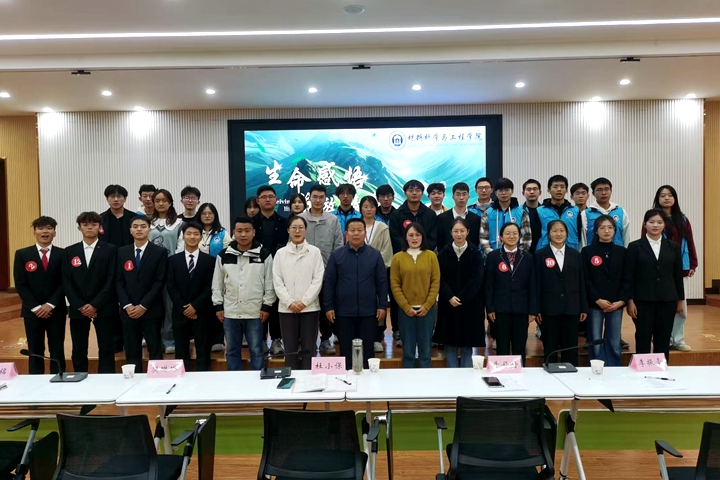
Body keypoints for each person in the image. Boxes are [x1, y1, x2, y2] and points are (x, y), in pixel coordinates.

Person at [212, 216, 276, 371]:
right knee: (232, 351)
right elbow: (217, 284)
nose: (243, 234)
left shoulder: (264, 254)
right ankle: (235, 381)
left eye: (247, 231)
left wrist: (266, 306)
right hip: (230, 312)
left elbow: (270, 283)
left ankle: (257, 380)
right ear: (234, 232)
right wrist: (218, 306)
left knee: (256, 350)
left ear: (254, 232)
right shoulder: (224, 255)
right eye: (239, 231)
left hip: (255, 312)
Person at [324, 218, 387, 369]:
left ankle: (368, 381)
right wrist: (329, 306)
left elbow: (382, 282)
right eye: (352, 230)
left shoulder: (375, 255)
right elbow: (329, 283)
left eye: (360, 230)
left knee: (368, 350)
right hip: (344, 312)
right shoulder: (337, 255)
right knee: (345, 350)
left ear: (365, 233)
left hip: (368, 312)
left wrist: (382, 305)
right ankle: (346, 380)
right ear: (346, 234)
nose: (356, 233)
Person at [625, 209, 685, 362]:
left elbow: (677, 275)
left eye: (659, 222)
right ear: (645, 224)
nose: (655, 225)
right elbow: (629, 276)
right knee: (643, 336)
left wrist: (680, 300)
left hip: (667, 299)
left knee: (663, 338)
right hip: (642, 300)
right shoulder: (634, 247)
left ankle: (661, 370)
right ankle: (642, 370)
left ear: (665, 225)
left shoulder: (673, 246)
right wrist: (630, 301)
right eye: (651, 222)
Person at [62, 212, 117, 374]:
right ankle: (80, 376)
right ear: (79, 228)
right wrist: (80, 305)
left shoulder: (111, 250)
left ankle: (106, 378)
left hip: (104, 307)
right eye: (85, 225)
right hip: (78, 308)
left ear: (100, 227)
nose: (89, 228)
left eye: (94, 224)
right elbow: (66, 281)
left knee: (106, 346)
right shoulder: (69, 251)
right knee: (79, 347)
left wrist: (95, 304)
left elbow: (111, 279)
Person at [13, 216, 67, 375]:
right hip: (32, 311)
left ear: (54, 233)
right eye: (41, 228)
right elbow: (20, 284)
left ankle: (59, 377)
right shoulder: (22, 254)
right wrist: (36, 307)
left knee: (57, 347)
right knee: (35, 349)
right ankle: (35, 381)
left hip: (56, 310)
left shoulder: (63, 254)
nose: (45, 232)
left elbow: (65, 282)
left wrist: (50, 304)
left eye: (49, 228)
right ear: (34, 232)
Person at [647, 185, 698, 352]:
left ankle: (678, 339)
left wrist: (693, 263)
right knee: (662, 307)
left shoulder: (682, 220)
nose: (666, 198)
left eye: (670, 195)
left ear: (675, 198)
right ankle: (664, 339)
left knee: (680, 307)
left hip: (680, 268)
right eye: (662, 195)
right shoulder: (652, 218)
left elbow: (690, 241)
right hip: (658, 269)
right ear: (658, 198)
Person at [116, 215, 167, 373]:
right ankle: (133, 381)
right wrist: (127, 305)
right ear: (130, 230)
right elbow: (118, 281)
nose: (139, 229)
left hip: (151, 310)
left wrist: (143, 305)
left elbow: (159, 282)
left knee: (155, 349)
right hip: (128, 310)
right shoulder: (122, 252)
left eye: (143, 226)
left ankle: (157, 380)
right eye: (135, 226)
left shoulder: (159, 252)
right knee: (131, 350)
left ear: (149, 230)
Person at [273, 216, 325, 370]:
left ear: (305, 230)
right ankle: (290, 379)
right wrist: (289, 302)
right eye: (294, 228)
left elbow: (318, 279)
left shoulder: (314, 252)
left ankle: (309, 380)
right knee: (290, 349)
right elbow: (277, 281)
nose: (297, 231)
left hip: (309, 308)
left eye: (301, 227)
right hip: (286, 309)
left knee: (309, 348)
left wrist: (304, 302)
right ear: (288, 230)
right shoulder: (280, 254)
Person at [536, 220, 588, 367]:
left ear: (567, 233)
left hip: (571, 307)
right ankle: (549, 373)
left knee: (570, 346)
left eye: (561, 231)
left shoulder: (575, 254)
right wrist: (537, 309)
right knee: (550, 345)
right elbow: (537, 284)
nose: (558, 234)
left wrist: (583, 307)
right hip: (549, 308)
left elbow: (581, 282)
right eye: (554, 231)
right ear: (548, 234)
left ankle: (570, 373)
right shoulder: (540, 255)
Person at [485, 223, 537, 365]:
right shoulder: (493, 256)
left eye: (515, 233)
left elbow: (532, 285)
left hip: (521, 309)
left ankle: (520, 375)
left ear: (519, 236)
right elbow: (489, 285)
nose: (512, 236)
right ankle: (502, 375)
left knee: (519, 347)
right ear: (500, 237)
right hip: (500, 309)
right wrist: (490, 308)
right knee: (502, 347)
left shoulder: (527, 257)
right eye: (507, 233)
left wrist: (533, 310)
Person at [300, 184, 343, 355]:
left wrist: (333, 270)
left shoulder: (332, 220)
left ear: (326, 199)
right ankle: (306, 341)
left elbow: (338, 246)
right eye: (315, 196)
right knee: (307, 306)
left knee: (326, 307)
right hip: (304, 273)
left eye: (321, 197)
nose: (318, 200)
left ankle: (325, 339)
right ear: (309, 197)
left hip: (326, 273)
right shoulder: (300, 219)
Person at [166, 222, 215, 371]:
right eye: (189, 234)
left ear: (201, 237)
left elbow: (210, 287)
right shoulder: (173, 260)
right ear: (183, 237)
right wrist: (184, 308)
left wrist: (195, 306)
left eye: (196, 234)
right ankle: (181, 379)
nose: (192, 237)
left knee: (203, 348)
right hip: (180, 312)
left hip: (202, 312)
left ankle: (203, 378)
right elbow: (171, 286)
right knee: (181, 349)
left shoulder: (210, 260)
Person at [390, 223, 440, 368]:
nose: (414, 238)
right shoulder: (398, 258)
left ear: (422, 237)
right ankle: (408, 380)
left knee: (425, 352)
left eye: (418, 235)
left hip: (427, 310)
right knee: (408, 352)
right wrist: (406, 307)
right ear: (405, 237)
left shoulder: (431, 256)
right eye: (411, 235)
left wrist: (427, 305)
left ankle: (425, 379)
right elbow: (395, 285)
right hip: (406, 311)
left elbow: (435, 282)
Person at [437, 218, 485, 367]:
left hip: (469, 304)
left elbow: (477, 279)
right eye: (456, 231)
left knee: (466, 344)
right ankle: (452, 375)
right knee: (450, 343)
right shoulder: (443, 253)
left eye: (462, 231)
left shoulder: (475, 253)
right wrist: (450, 296)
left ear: (468, 232)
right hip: (448, 304)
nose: (459, 234)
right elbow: (439, 278)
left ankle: (466, 374)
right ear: (451, 233)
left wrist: (462, 297)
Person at [582, 215, 627, 366]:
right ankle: (596, 367)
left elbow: (627, 278)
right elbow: (585, 279)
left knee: (614, 339)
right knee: (595, 339)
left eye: (610, 228)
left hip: (616, 303)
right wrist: (597, 299)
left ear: (615, 230)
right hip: (595, 303)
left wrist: (621, 301)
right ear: (596, 231)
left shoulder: (622, 252)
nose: (606, 231)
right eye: (602, 228)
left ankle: (614, 368)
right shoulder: (587, 252)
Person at [99, 184, 134, 353]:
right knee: (111, 303)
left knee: (129, 301)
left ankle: (131, 341)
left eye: (119, 196)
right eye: (112, 196)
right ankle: (115, 341)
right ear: (107, 199)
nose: (116, 199)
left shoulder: (134, 219)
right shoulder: (100, 220)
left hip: (131, 266)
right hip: (108, 266)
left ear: (125, 199)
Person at [253, 185, 288, 355]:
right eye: (264, 197)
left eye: (271, 196)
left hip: (278, 270)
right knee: (259, 304)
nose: (268, 199)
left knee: (275, 306)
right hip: (255, 270)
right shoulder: (250, 223)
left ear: (276, 200)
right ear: (258, 200)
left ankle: (276, 340)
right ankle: (260, 339)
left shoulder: (284, 222)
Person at [149, 189, 184, 355]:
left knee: (170, 306)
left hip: (170, 269)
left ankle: (169, 340)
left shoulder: (179, 223)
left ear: (170, 203)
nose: (161, 203)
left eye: (164, 200)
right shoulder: (148, 223)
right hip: (151, 271)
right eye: (157, 200)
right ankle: (152, 338)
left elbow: (180, 247)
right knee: (153, 305)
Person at [195, 202, 231, 353]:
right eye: (204, 213)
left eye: (210, 213)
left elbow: (228, 253)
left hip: (218, 273)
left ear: (215, 215)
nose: (207, 216)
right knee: (202, 307)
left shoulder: (222, 233)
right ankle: (202, 338)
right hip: (198, 274)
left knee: (216, 306)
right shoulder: (194, 231)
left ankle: (217, 339)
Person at [359, 196, 393, 353]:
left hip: (377, 274)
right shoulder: (356, 226)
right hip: (357, 275)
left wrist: (374, 267)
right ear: (360, 208)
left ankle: (377, 337)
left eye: (372, 206)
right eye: (365, 206)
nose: (369, 209)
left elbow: (387, 252)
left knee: (379, 304)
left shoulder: (382, 227)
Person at [479, 177, 532, 256]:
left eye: (507, 190)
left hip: (517, 257)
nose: (503, 193)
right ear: (495, 193)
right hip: (493, 257)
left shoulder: (522, 212)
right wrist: (493, 256)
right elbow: (483, 238)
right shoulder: (487, 213)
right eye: (500, 190)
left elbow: (526, 238)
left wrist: (517, 256)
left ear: (512, 191)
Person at [376, 184, 400, 345]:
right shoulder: (373, 214)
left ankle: (397, 329)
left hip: (396, 261)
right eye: (382, 196)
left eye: (389, 196)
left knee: (396, 296)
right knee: (379, 298)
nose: (386, 199)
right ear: (378, 198)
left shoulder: (398, 215)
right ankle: (379, 331)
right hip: (377, 263)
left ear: (393, 197)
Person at [389, 179, 438, 253]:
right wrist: (407, 250)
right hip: (404, 254)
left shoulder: (430, 214)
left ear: (422, 193)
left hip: (425, 254)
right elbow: (395, 237)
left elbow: (433, 237)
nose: (414, 193)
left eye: (418, 190)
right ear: (405, 193)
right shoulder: (396, 215)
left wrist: (421, 251)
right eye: (411, 190)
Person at [581, 177, 630, 248]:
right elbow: (583, 239)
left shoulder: (621, 212)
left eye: (606, 189)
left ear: (611, 191)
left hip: (617, 252)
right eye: (599, 190)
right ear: (593, 193)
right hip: (594, 253)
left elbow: (626, 236)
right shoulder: (586, 214)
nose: (603, 193)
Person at [536, 175, 580, 251]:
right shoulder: (539, 211)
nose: (559, 189)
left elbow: (579, 233)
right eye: (555, 187)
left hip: (570, 251)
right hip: (546, 251)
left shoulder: (575, 210)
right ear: (549, 190)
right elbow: (536, 234)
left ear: (566, 190)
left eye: (562, 187)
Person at [436, 182, 481, 253]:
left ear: (468, 196)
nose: (461, 198)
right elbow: (440, 242)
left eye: (464, 194)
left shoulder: (476, 219)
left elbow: (475, 242)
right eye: (458, 194)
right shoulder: (442, 218)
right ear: (453, 197)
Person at [522, 179, 543, 253]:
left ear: (540, 192)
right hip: (523, 252)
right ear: (523, 193)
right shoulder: (518, 212)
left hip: (542, 251)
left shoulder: (546, 212)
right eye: (528, 189)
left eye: (535, 189)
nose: (532, 192)